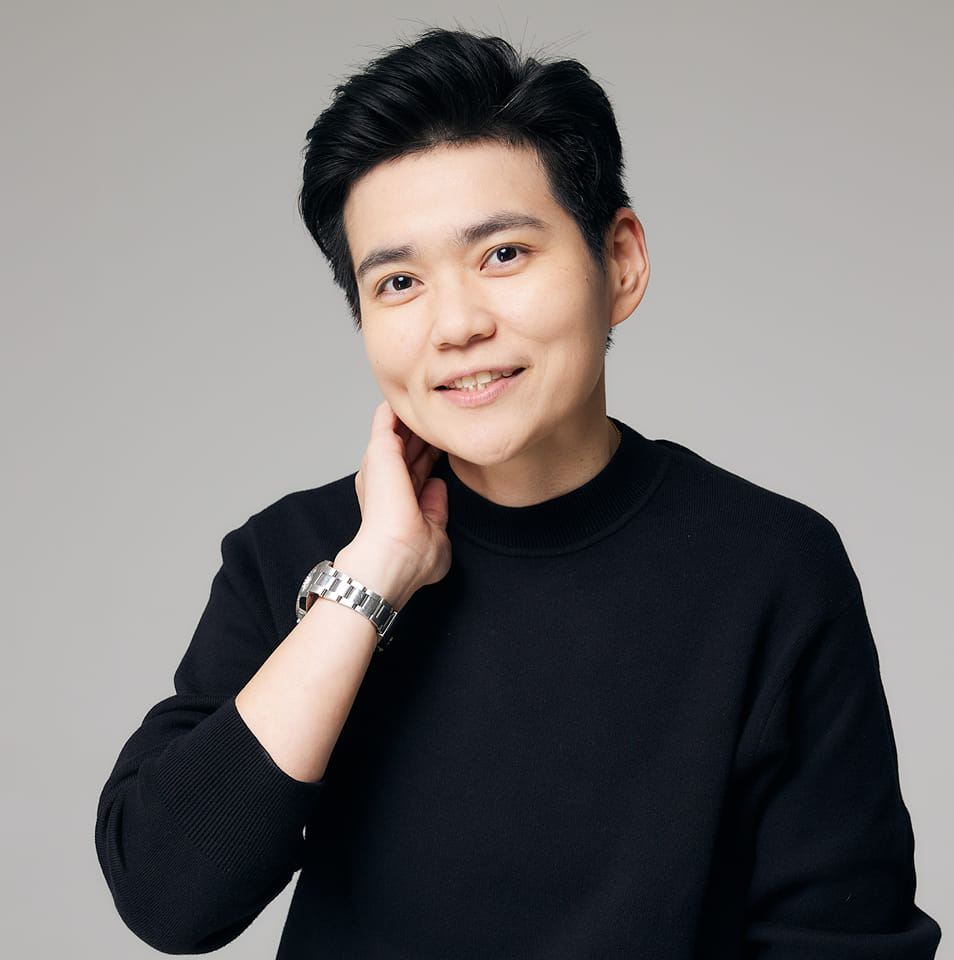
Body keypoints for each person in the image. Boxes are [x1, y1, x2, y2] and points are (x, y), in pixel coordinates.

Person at [94, 26, 942, 958]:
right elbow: (168, 896)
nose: (456, 325)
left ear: (620, 262)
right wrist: (369, 581)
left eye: (502, 254)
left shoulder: (769, 567)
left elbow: (845, 943)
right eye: (399, 281)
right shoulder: (297, 553)